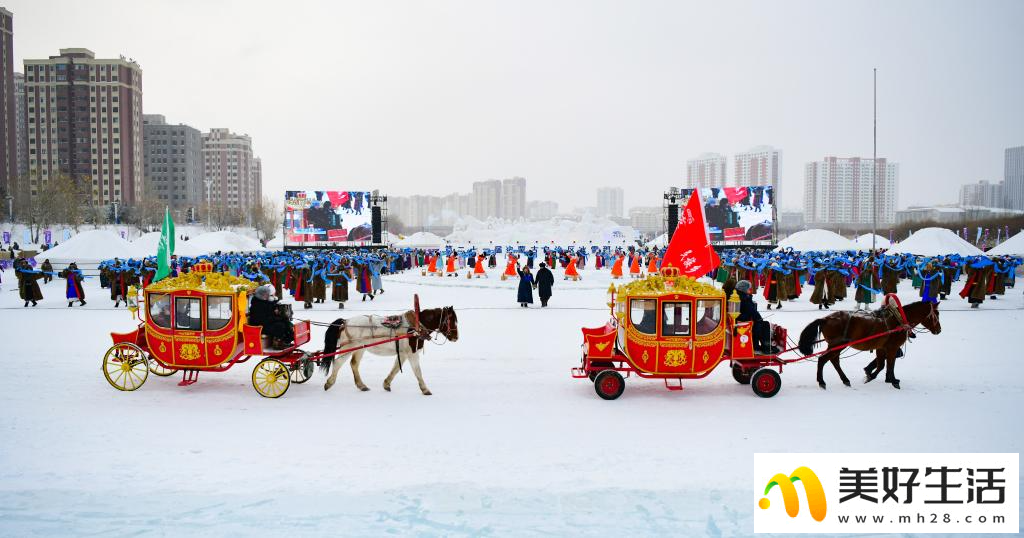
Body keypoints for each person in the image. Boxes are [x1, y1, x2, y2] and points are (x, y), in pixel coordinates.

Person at [735, 280, 776, 354]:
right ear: (744, 289)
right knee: (765, 325)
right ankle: (767, 348)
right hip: (744, 322)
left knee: (759, 324)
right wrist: (759, 319)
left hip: (742, 320)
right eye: (748, 289)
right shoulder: (744, 299)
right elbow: (753, 312)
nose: (750, 290)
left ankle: (756, 345)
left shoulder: (739, 296)